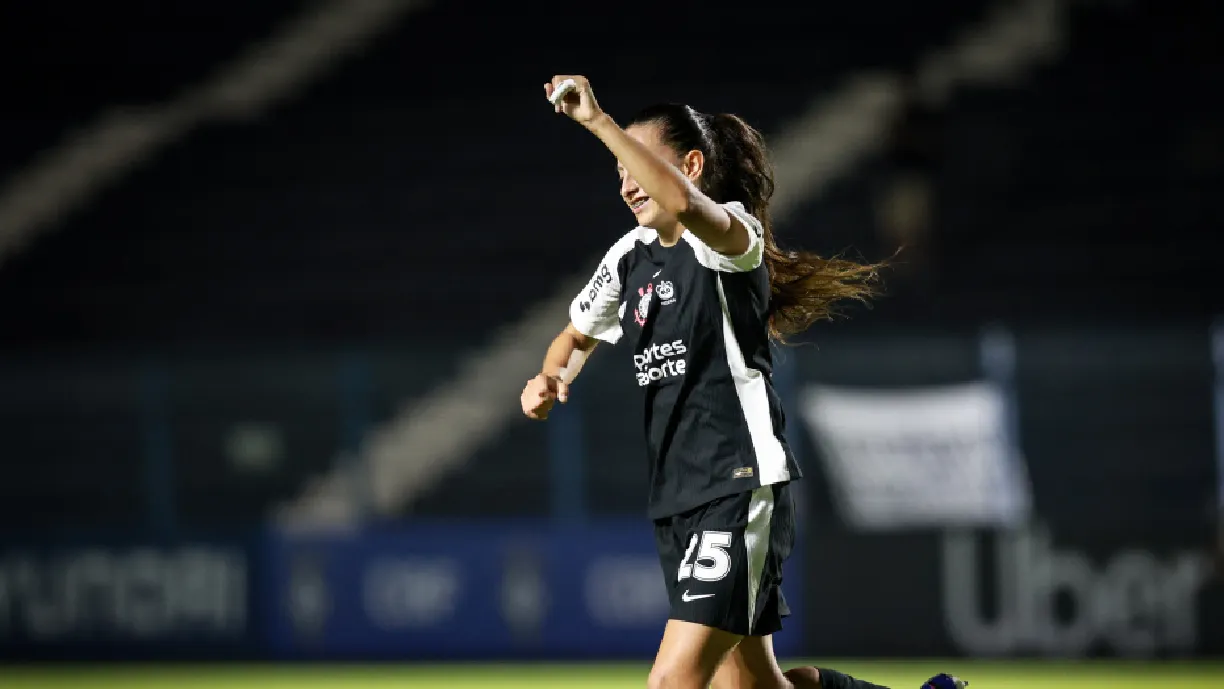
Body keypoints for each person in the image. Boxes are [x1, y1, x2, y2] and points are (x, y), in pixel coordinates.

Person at [520, 74, 966, 689]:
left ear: (691, 166)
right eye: (619, 167)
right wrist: (549, 377)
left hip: (738, 481)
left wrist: (599, 122)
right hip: (678, 495)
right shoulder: (629, 257)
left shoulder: (731, 236)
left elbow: (679, 205)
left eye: (637, 160)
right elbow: (576, 335)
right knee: (754, 687)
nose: (626, 180)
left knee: (672, 682)